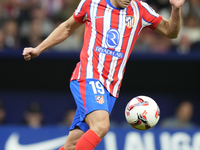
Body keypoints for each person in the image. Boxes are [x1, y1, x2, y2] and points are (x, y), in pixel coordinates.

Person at [22, 0, 185, 149]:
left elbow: (171, 32)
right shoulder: (91, 4)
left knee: (73, 144)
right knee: (101, 126)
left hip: (111, 88)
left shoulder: (140, 9)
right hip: (88, 76)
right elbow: (67, 27)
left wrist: (176, 9)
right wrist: (38, 49)